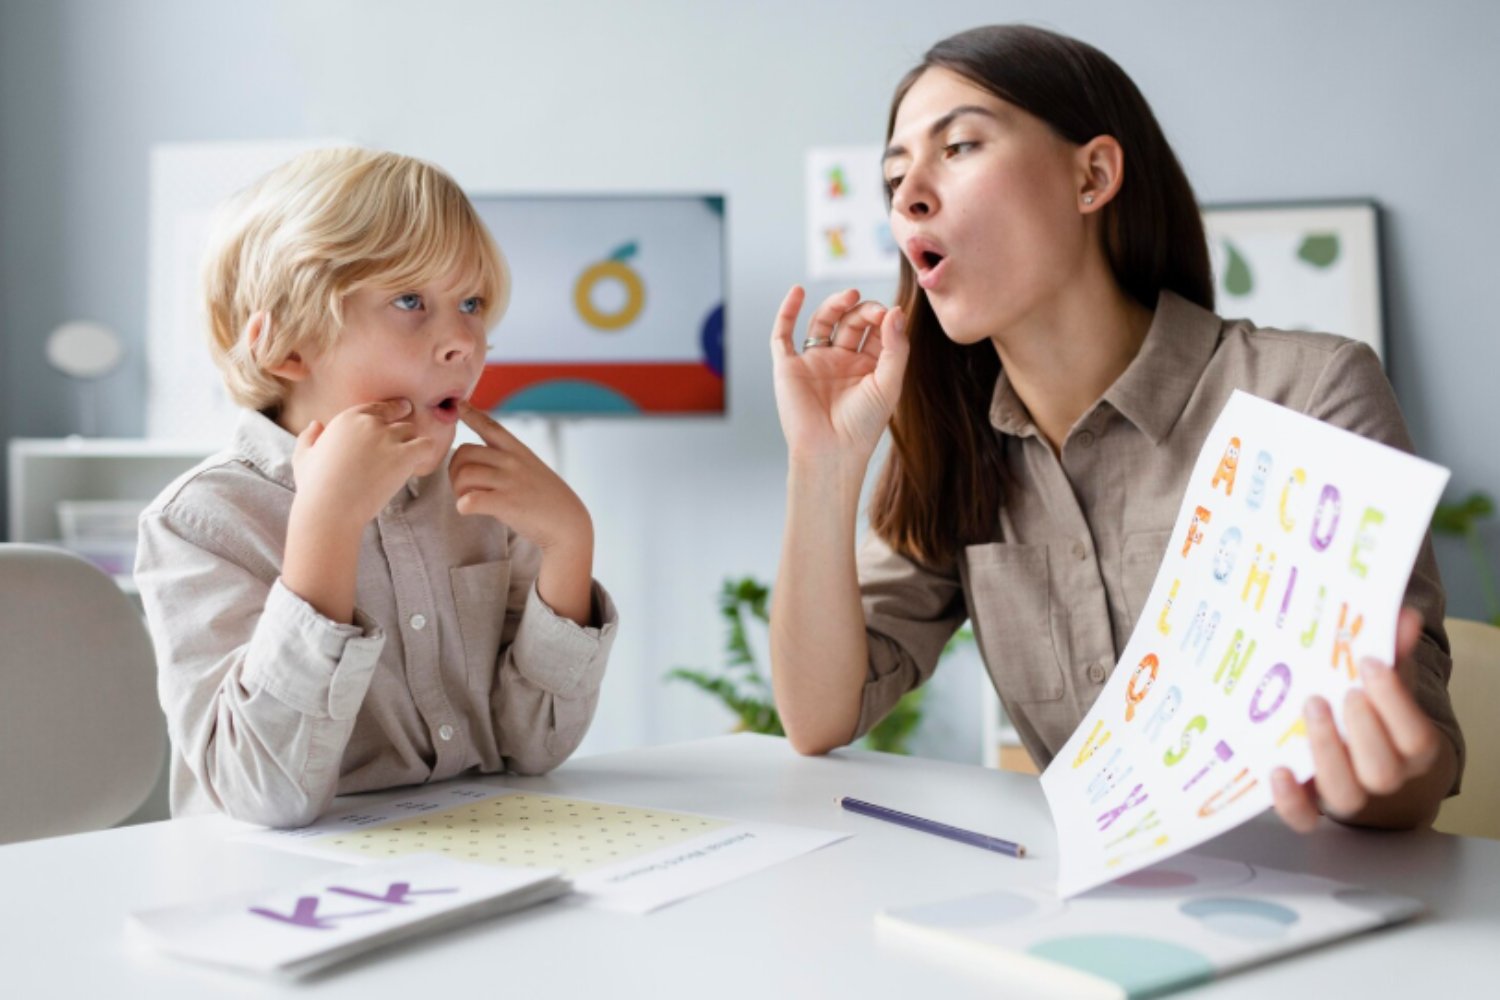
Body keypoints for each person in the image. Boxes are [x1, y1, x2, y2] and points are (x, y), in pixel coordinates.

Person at [768, 24, 1462, 831]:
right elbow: (818, 717)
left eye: (958, 147)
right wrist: (823, 465)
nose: (909, 194)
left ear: (1092, 174)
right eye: (894, 175)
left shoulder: (1310, 394)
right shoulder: (958, 441)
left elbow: (1417, 757)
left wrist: (1381, 776)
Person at [135, 148, 616, 827]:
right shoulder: (202, 521)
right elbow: (262, 792)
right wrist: (327, 526)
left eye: (472, 303)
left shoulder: (483, 497)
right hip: (274, 894)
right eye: (410, 301)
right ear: (289, 348)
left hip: (472, 854)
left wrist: (570, 546)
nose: (462, 342)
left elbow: (534, 749)